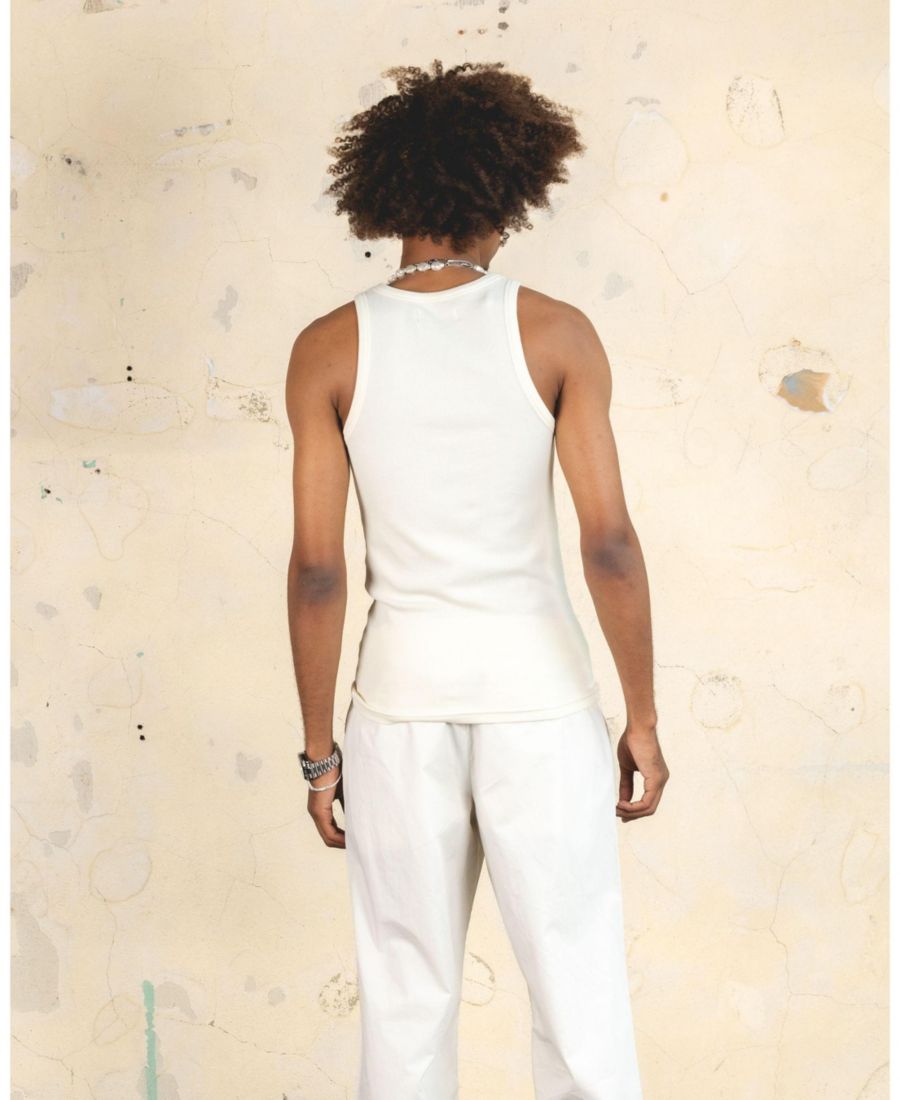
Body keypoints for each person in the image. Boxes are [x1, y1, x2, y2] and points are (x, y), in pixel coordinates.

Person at [286, 58, 669, 1100]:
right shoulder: (557, 332)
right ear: (507, 190)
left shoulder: (327, 348)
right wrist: (640, 716)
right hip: (539, 701)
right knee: (579, 990)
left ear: (388, 191)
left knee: (407, 997)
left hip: (399, 706)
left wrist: (319, 756)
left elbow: (318, 571)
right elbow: (609, 542)